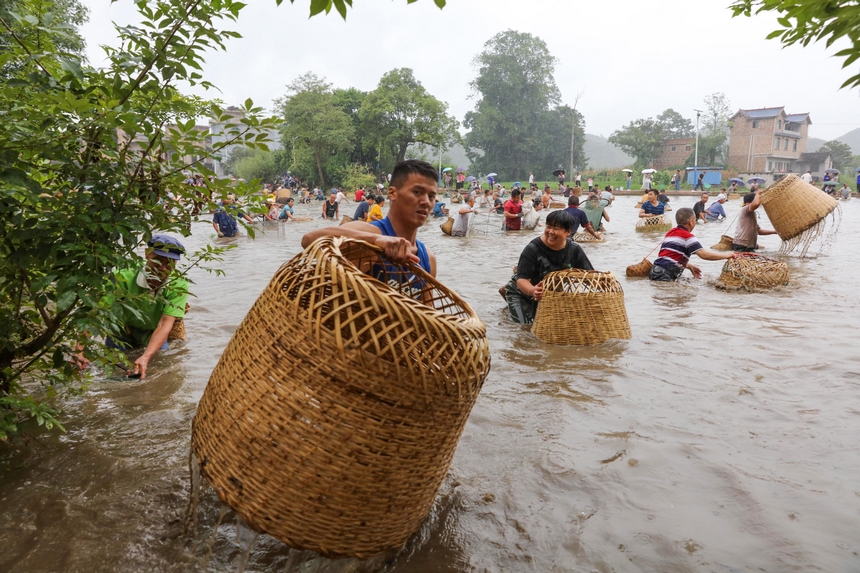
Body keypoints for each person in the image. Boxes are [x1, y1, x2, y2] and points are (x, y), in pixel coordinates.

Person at [300, 159, 438, 288]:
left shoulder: (428, 259)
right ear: (392, 193)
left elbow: (427, 305)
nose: (426, 202)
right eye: (417, 192)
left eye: (431, 196)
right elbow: (309, 240)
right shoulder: (370, 232)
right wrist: (374, 241)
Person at [79, 235, 189, 379]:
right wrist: (79, 351)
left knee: (159, 372)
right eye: (157, 260)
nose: (162, 268)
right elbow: (96, 313)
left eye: (169, 263)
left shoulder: (178, 285)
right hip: (121, 330)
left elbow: (164, 324)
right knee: (114, 370)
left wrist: (146, 357)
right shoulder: (122, 276)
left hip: (152, 332)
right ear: (147, 254)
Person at [502, 210, 594, 324]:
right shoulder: (532, 249)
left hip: (548, 294)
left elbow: (590, 276)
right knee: (526, 326)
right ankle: (509, 297)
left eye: (556, 228)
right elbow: (522, 280)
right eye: (548, 227)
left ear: (568, 232)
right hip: (522, 293)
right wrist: (532, 290)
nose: (551, 232)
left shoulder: (574, 249)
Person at [649, 208, 737, 281]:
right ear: (691, 222)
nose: (695, 222)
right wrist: (727, 255)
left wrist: (689, 266)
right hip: (666, 274)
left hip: (654, 271)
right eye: (695, 220)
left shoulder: (670, 233)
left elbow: (669, 257)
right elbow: (704, 255)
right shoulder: (688, 237)